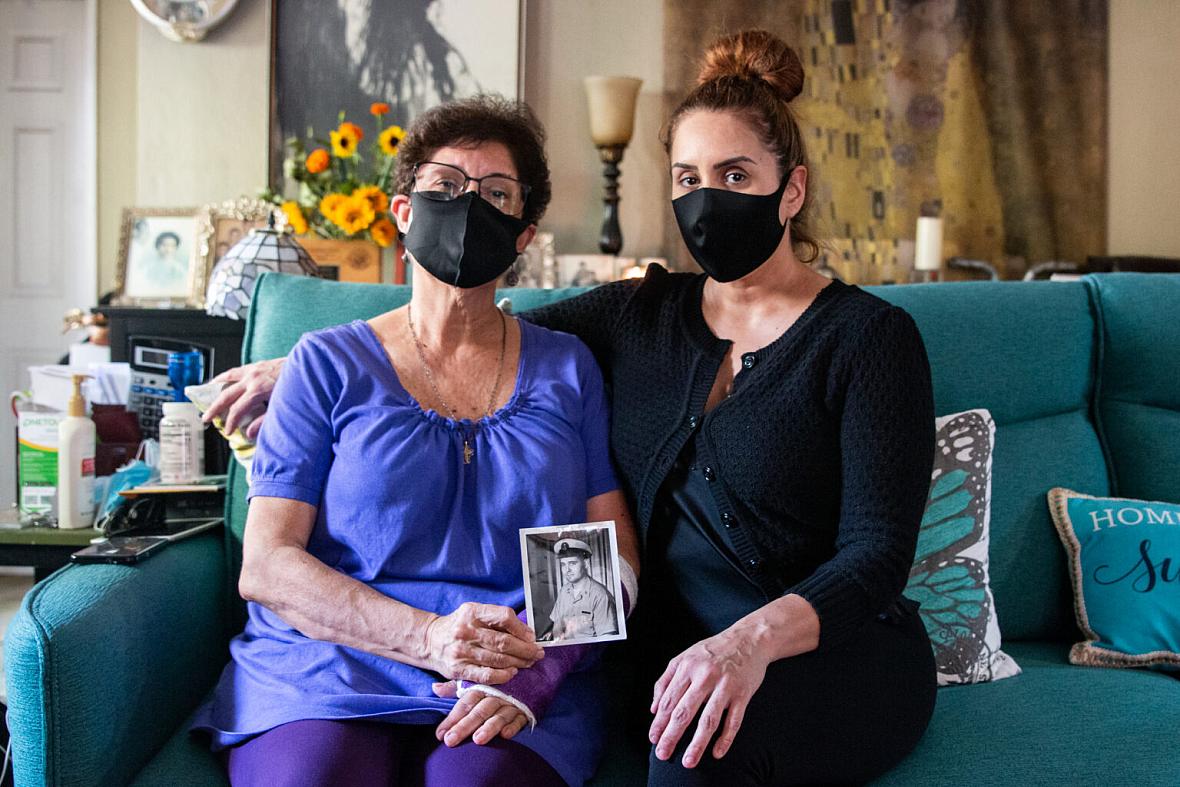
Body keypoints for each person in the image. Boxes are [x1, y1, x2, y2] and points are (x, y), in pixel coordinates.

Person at [207, 30, 937, 785]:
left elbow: (876, 555)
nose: (707, 198)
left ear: (791, 190)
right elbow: (472, 328)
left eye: (735, 173)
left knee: (682, 765)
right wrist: (305, 362)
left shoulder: (870, 338)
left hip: (824, 645)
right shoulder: (637, 315)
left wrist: (734, 645)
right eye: (687, 177)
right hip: (656, 656)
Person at [191, 95, 641, 787]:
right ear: (403, 212)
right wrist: (427, 637)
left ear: (523, 235)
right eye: (446, 187)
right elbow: (268, 563)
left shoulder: (565, 366)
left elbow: (605, 550)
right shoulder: (324, 362)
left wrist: (537, 673)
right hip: (330, 664)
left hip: (506, 671)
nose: (469, 206)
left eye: (496, 194)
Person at [546, 538, 618, 641]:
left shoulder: (600, 594)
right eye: (563, 564)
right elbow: (557, 627)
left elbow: (606, 640)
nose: (567, 570)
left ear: (586, 563)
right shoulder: (564, 591)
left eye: (572, 563)